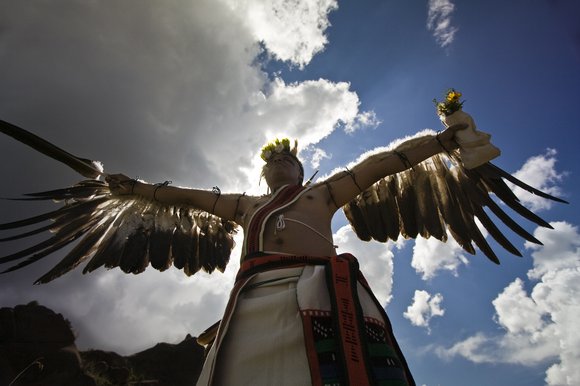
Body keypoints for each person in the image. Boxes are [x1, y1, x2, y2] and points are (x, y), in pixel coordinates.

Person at [106, 125, 464, 386]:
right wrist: (136, 188)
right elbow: (189, 198)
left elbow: (383, 164)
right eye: (273, 159)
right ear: (263, 173)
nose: (279, 160)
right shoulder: (245, 206)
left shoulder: (323, 193)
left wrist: (438, 142)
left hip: (325, 294)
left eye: (287, 158)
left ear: (300, 171)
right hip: (256, 297)